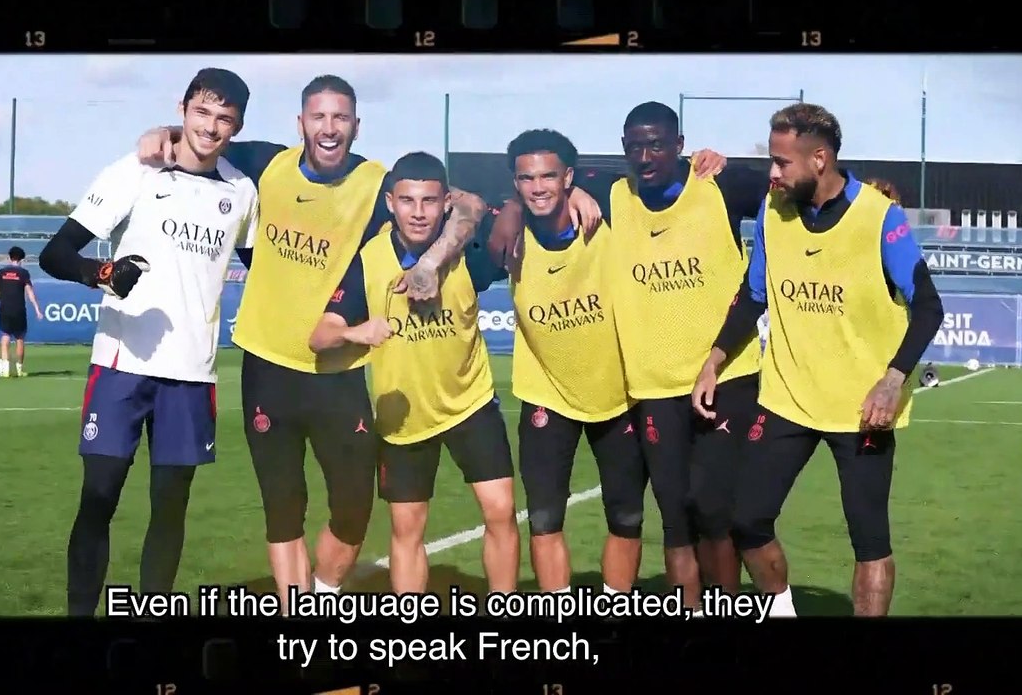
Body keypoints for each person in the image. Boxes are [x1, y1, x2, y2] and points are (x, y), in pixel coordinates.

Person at [135, 75, 601, 612]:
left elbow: (481, 205)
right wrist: (164, 131)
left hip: (389, 386)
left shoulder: (400, 201)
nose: (329, 128)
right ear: (300, 123)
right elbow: (205, 136)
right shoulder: (271, 168)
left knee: (395, 510)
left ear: (357, 125)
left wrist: (572, 192)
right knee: (298, 509)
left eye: (341, 118)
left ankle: (361, 592)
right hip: (293, 375)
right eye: (318, 116)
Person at [489, 103, 767, 613]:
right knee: (649, 517)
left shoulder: (692, 190)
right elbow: (499, 195)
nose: (645, 155)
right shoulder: (601, 201)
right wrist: (511, 206)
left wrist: (726, 164)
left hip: (678, 383)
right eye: (634, 146)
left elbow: (788, 186)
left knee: (701, 512)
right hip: (622, 388)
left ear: (680, 144)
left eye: (657, 144)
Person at [692, 103, 945, 617]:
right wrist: (715, 358)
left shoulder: (879, 217)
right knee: (746, 521)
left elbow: (928, 306)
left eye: (782, 162)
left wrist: (893, 381)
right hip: (787, 398)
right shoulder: (772, 209)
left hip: (863, 408)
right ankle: (781, 611)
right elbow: (753, 293)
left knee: (869, 539)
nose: (772, 173)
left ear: (820, 159)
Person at [37, 68, 260, 616]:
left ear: (237, 126)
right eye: (203, 112)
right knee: (99, 498)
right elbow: (55, 253)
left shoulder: (242, 191)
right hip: (121, 364)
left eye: (224, 118)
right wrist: (102, 272)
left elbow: (265, 268)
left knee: (170, 509)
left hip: (192, 374)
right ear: (183, 108)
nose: (211, 127)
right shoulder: (134, 171)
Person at [309, 151, 518, 595]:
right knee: (408, 531)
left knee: (501, 512)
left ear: (446, 203)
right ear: (390, 202)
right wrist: (354, 331)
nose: (418, 212)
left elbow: (511, 212)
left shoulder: (466, 250)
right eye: (407, 201)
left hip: (471, 404)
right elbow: (320, 336)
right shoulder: (367, 260)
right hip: (402, 419)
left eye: (428, 201)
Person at [489, 129, 646, 596]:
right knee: (544, 519)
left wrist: (582, 191)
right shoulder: (507, 237)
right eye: (527, 178)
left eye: (550, 176)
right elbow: (461, 202)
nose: (538, 186)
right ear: (515, 184)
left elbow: (646, 177)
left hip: (618, 396)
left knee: (627, 517)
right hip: (546, 396)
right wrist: (509, 210)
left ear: (570, 177)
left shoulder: (606, 218)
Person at [0, 246, 42, 377]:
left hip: (5, 308)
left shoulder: (1, 273)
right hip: (19, 309)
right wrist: (37, 309)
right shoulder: (23, 273)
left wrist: (0, 299)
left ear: (9, 258)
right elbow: (30, 292)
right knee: (19, 338)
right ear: (22, 259)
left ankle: (5, 368)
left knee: (5, 336)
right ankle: (20, 369)